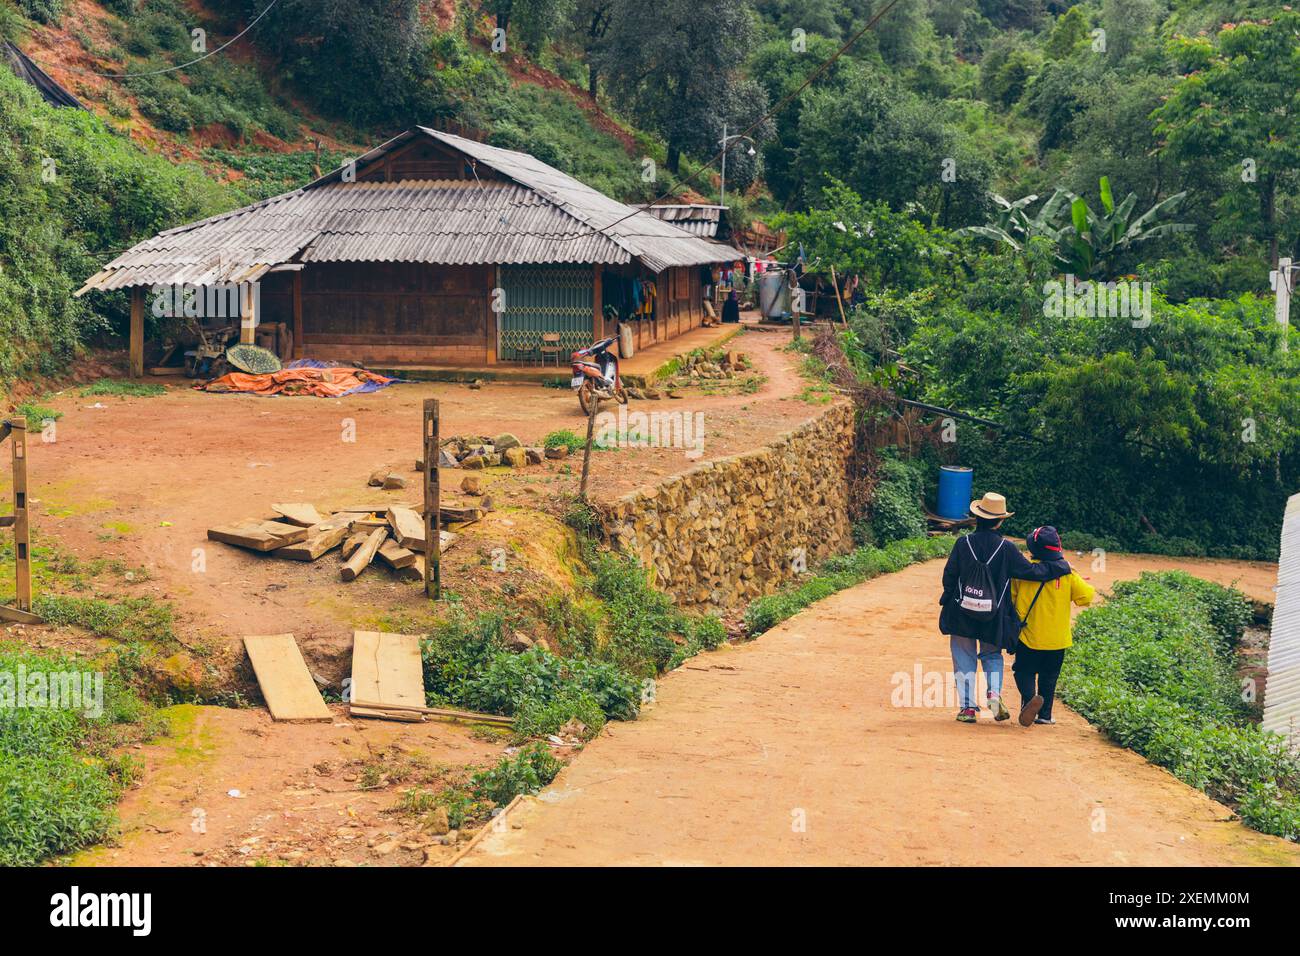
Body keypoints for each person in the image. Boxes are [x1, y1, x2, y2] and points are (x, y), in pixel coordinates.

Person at [939, 492, 1071, 724]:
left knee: (963, 656)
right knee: (991, 654)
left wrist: (948, 597)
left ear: (977, 517)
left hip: (961, 611)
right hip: (992, 614)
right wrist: (1059, 567)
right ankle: (993, 695)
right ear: (1000, 521)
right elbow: (1031, 572)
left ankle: (968, 708)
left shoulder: (963, 543)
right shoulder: (1006, 548)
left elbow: (949, 575)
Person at [1010, 526, 1095, 726]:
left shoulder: (1023, 572)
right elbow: (1086, 597)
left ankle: (1029, 701)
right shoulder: (1067, 573)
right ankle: (1045, 715)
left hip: (1029, 636)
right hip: (1058, 639)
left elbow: (1011, 599)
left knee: (1024, 671)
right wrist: (1074, 574)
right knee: (1049, 677)